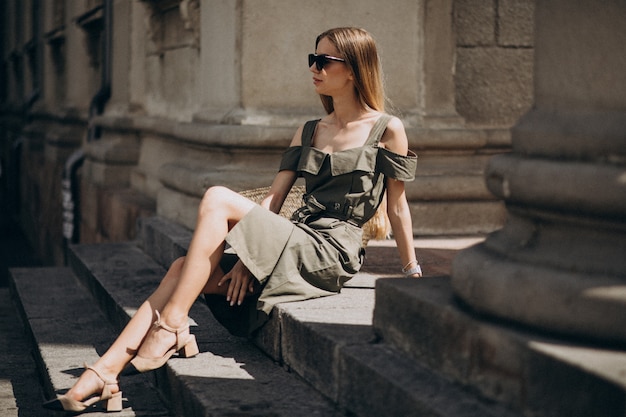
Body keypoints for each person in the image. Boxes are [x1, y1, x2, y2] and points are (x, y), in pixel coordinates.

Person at [43, 26, 421, 413]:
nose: (314, 68)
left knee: (217, 199)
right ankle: (106, 371)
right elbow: (273, 199)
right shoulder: (310, 130)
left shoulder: (386, 129)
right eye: (313, 59)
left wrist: (411, 272)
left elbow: (397, 207)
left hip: (333, 249)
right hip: (293, 236)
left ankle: (173, 325)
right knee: (179, 269)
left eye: (325, 61)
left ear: (355, 70)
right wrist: (247, 254)